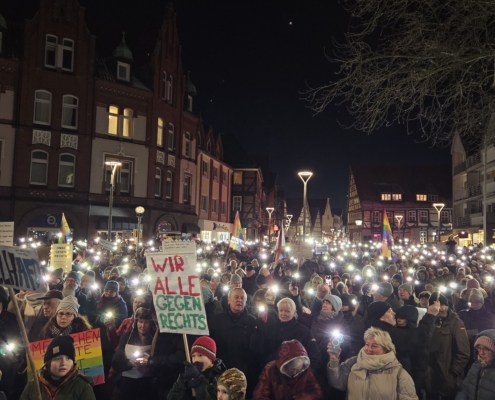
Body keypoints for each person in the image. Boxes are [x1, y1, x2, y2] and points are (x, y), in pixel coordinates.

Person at [327, 327, 418, 400]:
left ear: (386, 348)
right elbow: (337, 383)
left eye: (374, 346)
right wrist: (334, 359)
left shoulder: (399, 374)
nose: (369, 349)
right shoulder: (354, 362)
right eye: (367, 344)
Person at [210, 288, 257, 396]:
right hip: (221, 371)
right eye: (236, 297)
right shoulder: (216, 320)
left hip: (244, 373)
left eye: (242, 298)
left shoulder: (252, 322)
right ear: (228, 300)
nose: (239, 300)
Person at [19, 335, 96, 400]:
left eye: (68, 358)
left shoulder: (82, 386)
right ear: (48, 363)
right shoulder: (33, 385)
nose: (63, 363)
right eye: (57, 359)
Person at [425, 292, 470, 400]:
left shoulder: (456, 323)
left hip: (447, 375)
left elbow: (464, 353)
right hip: (430, 375)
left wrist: (453, 374)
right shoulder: (427, 321)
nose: (439, 308)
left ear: (447, 305)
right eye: (435, 305)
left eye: (442, 305)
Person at [254, 298, 321, 369]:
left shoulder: (303, 331)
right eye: (281, 310)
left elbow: (315, 357)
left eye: (287, 311)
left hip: (295, 374)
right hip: (272, 374)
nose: (283, 314)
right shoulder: (271, 328)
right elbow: (261, 351)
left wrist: (303, 374)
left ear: (294, 312)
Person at [254, 339, 322, 400]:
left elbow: (317, 391)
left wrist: (303, 398)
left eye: (298, 369)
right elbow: (260, 395)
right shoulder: (270, 370)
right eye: (292, 370)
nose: (296, 373)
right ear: (284, 365)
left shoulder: (305, 370)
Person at [111, 307, 156, 400]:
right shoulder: (127, 337)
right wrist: (131, 362)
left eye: (146, 322)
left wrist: (149, 363)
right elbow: (117, 359)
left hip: (148, 383)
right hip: (128, 382)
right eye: (140, 322)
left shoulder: (155, 338)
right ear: (136, 323)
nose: (143, 325)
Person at [458, 288, 495, 372]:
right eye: (472, 302)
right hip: (467, 347)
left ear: (481, 302)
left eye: (476, 302)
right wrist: (464, 331)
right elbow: (460, 327)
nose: (474, 304)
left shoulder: (489, 316)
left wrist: (472, 333)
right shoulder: (464, 314)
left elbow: (490, 332)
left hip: (482, 349)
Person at [456, 329, 495, 400]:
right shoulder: (475, 366)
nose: (481, 353)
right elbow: (464, 390)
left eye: (487, 349)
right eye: (479, 348)